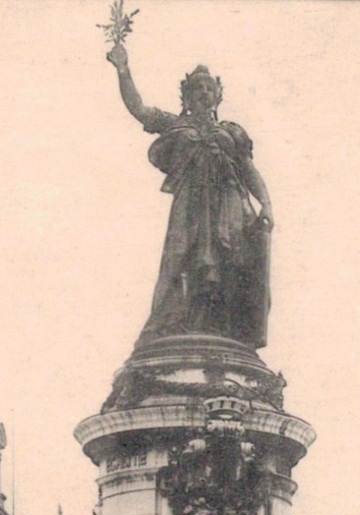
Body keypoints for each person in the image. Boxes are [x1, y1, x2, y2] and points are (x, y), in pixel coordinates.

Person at [106, 43, 274, 350]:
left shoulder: (232, 132)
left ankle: (222, 327)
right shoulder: (176, 124)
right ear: (186, 95)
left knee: (229, 264)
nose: (204, 93)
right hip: (190, 205)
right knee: (181, 257)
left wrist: (267, 205)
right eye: (197, 87)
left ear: (218, 94)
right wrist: (122, 70)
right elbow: (139, 109)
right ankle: (178, 322)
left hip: (230, 206)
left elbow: (249, 171)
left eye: (209, 88)